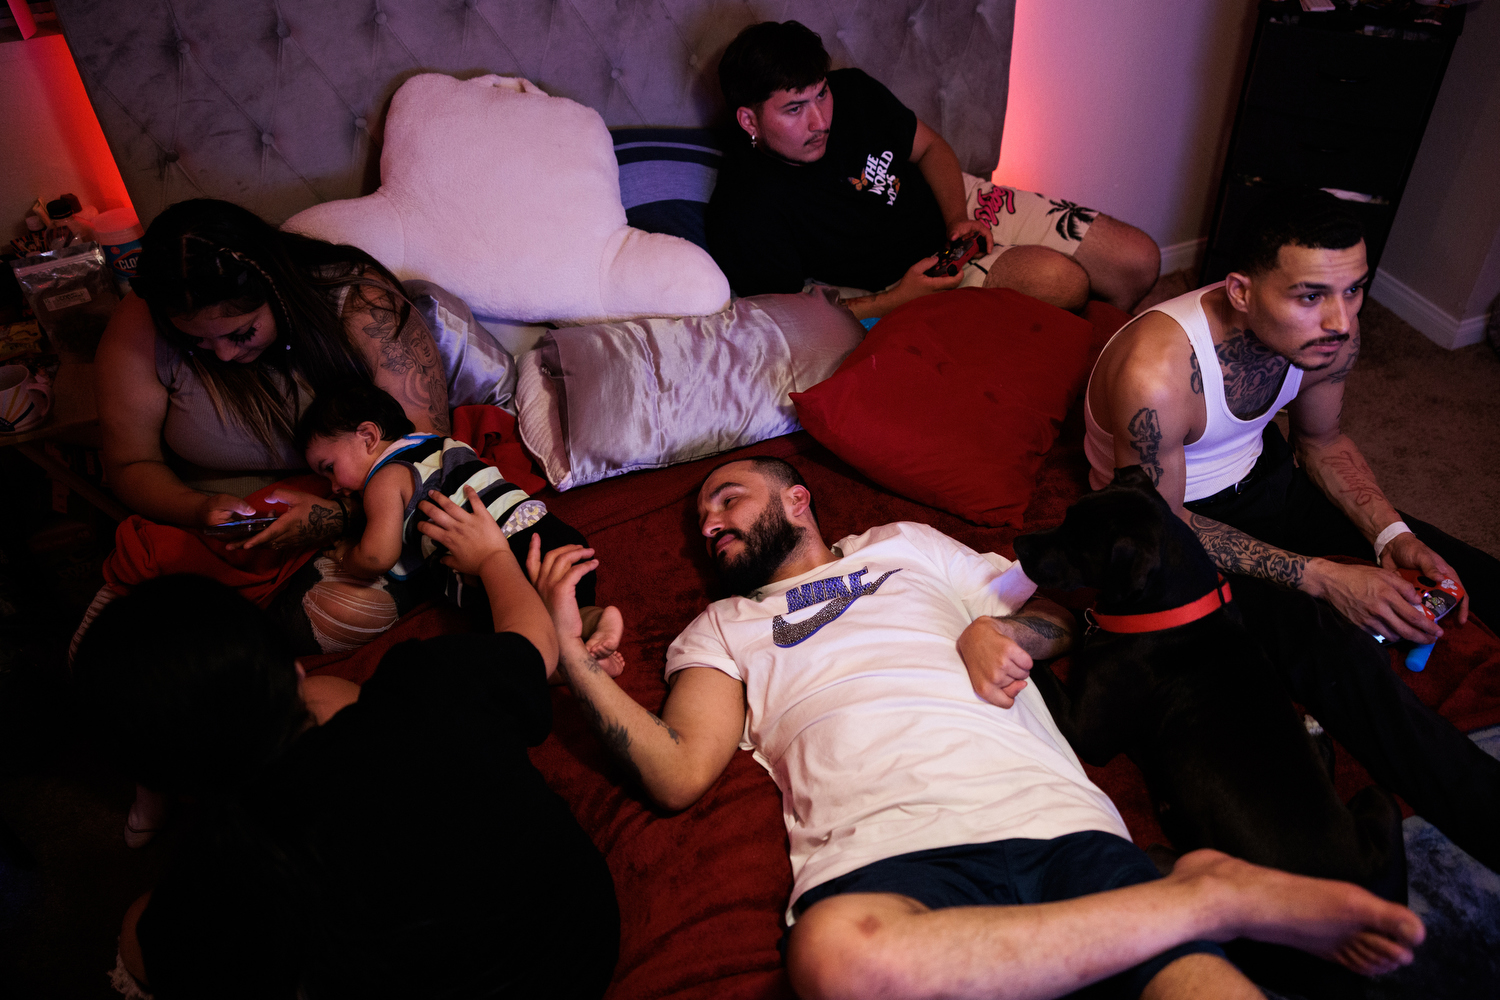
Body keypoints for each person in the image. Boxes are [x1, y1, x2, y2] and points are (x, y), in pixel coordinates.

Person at [526, 455, 1424, 1000]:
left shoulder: (905, 547)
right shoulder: (719, 629)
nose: (709, 523)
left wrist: (996, 631)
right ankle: (1205, 897)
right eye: (701, 520)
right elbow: (678, 771)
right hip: (882, 855)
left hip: (1048, 815)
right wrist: (569, 653)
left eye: (727, 499)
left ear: (798, 502)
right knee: (832, 960)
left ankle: (1199, 906)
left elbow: (1059, 615)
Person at [1084, 188, 1500, 872]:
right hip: (1168, 522)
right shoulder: (1157, 373)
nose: (1340, 320)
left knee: (1468, 571)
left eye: (1354, 290)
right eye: (1310, 296)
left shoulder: (1329, 334)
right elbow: (1162, 524)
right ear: (1242, 292)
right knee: (1338, 658)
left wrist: (1391, 535)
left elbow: (1323, 442)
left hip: (1265, 479)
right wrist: (1325, 578)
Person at [74, 486, 620, 1000]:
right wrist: (494, 556)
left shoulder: (211, 875)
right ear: (291, 668)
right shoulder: (427, 689)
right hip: (580, 945)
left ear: (163, 779)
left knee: (136, 931)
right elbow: (534, 645)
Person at [705, 20, 1161, 318]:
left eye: (821, 94)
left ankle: (1102, 359)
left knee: (1138, 260)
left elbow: (930, 149)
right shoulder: (746, 206)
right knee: (1062, 283)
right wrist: (897, 299)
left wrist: (958, 217)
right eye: (794, 109)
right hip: (906, 277)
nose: (820, 121)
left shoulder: (854, 92)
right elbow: (788, 315)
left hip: (957, 201)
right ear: (749, 120)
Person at [294, 380, 624, 664]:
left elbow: (377, 556)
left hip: (506, 552)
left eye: (329, 468)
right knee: (569, 607)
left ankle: (567, 664)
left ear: (367, 436)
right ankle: (596, 623)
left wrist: (346, 556)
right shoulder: (435, 443)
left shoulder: (384, 479)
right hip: (543, 529)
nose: (333, 487)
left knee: (509, 650)